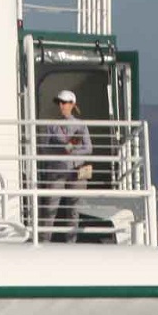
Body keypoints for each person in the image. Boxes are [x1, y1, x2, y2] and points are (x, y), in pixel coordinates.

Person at [38, 90, 92, 242]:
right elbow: (44, 148)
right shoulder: (52, 126)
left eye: (65, 102)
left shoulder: (81, 125)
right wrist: (60, 150)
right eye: (59, 102)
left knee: (73, 210)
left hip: (75, 171)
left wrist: (73, 151)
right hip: (57, 170)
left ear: (72, 104)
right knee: (50, 207)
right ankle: (44, 241)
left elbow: (88, 148)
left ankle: (71, 243)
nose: (61, 105)